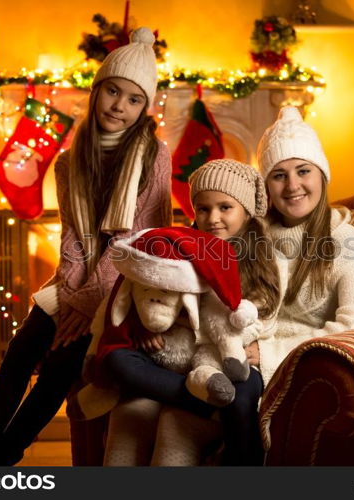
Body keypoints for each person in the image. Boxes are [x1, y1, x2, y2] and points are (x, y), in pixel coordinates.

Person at [0, 27, 172, 466]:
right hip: (77, 279)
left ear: (143, 108)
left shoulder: (154, 155)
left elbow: (143, 239)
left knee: (62, 362)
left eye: (134, 99)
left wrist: (89, 299)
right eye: (113, 91)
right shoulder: (69, 162)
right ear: (97, 92)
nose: (120, 106)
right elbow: (73, 238)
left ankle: (2, 457)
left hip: (126, 283)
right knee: (22, 349)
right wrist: (74, 295)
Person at [102, 159, 288, 466]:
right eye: (203, 209)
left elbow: (264, 318)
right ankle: (203, 400)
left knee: (241, 395)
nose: (213, 218)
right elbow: (145, 293)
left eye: (225, 207)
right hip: (177, 359)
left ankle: (240, 459)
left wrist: (215, 335)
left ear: (245, 210)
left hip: (226, 358)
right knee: (119, 362)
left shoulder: (264, 257)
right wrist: (148, 327)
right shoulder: (180, 247)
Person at [249, 105, 354, 386]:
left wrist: (269, 353)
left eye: (303, 171)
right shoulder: (255, 234)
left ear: (321, 175)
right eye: (279, 175)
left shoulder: (342, 240)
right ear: (267, 185)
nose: (292, 185)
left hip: (300, 370)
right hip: (240, 357)